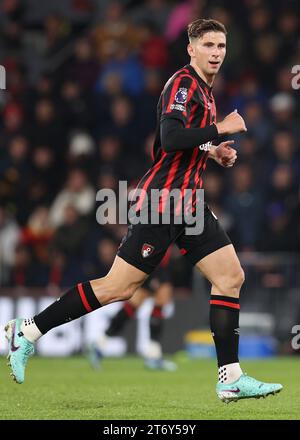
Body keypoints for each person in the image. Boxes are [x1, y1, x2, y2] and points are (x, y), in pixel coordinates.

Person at [5, 18, 282, 403]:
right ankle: (28, 330)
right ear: (191, 48)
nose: (216, 53)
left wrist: (211, 151)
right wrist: (218, 129)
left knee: (230, 276)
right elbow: (169, 138)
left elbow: (182, 140)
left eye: (221, 46)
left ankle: (230, 377)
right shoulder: (184, 85)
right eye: (209, 46)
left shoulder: (204, 89)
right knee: (118, 287)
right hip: (163, 202)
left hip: (189, 204)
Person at [87, 252, 177, 371]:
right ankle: (153, 356)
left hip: (155, 261)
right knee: (156, 301)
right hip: (155, 261)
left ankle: (99, 343)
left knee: (136, 305)